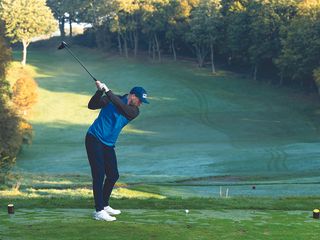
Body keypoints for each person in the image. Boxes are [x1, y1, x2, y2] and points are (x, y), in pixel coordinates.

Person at [85, 80, 149, 221]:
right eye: (139, 100)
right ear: (132, 95)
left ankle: (105, 204)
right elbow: (92, 106)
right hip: (94, 138)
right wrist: (99, 91)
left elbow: (121, 107)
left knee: (113, 175)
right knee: (99, 175)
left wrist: (108, 91)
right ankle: (99, 211)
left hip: (108, 144)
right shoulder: (110, 99)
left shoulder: (134, 111)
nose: (140, 104)